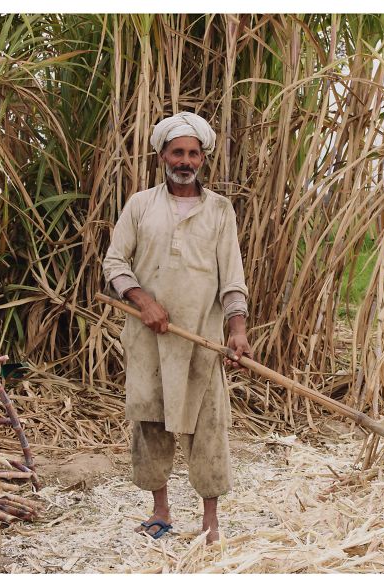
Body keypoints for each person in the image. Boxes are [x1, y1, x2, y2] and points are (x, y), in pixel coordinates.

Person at [102, 112, 251, 545]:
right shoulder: (140, 204)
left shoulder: (220, 210)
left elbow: (232, 280)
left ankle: (210, 523)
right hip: (150, 339)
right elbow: (114, 262)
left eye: (193, 153)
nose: (185, 161)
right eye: (177, 152)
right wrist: (143, 300)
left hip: (200, 341)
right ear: (163, 155)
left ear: (202, 159)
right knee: (150, 424)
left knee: (208, 427)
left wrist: (236, 330)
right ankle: (161, 511)